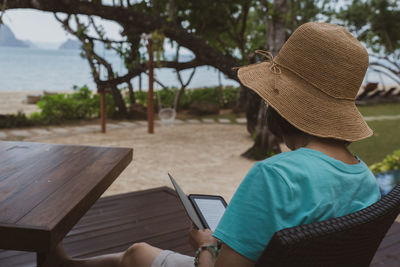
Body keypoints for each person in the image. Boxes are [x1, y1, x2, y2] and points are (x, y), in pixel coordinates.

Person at [53, 22, 381, 267]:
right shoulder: (364, 179)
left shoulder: (275, 177)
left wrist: (206, 246)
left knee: (137, 254)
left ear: (280, 108)